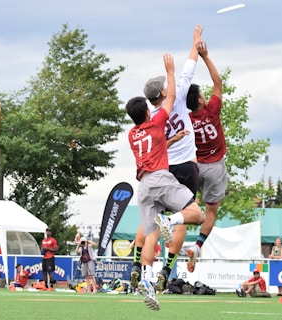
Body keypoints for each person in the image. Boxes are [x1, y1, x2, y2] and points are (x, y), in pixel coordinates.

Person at [126, 52, 204, 311]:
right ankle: (170, 220)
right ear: (148, 112)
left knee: (150, 238)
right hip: (161, 178)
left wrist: (171, 140)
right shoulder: (157, 120)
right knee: (196, 214)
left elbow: (154, 147)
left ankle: (147, 281)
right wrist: (170, 71)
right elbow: (170, 97)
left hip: (144, 186)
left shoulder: (133, 134)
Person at [185, 40, 227, 273]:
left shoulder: (187, 120)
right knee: (212, 212)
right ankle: (199, 245)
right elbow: (218, 82)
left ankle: (174, 231)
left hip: (195, 168)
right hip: (214, 168)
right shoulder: (212, 110)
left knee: (186, 207)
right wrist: (205, 56)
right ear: (202, 100)